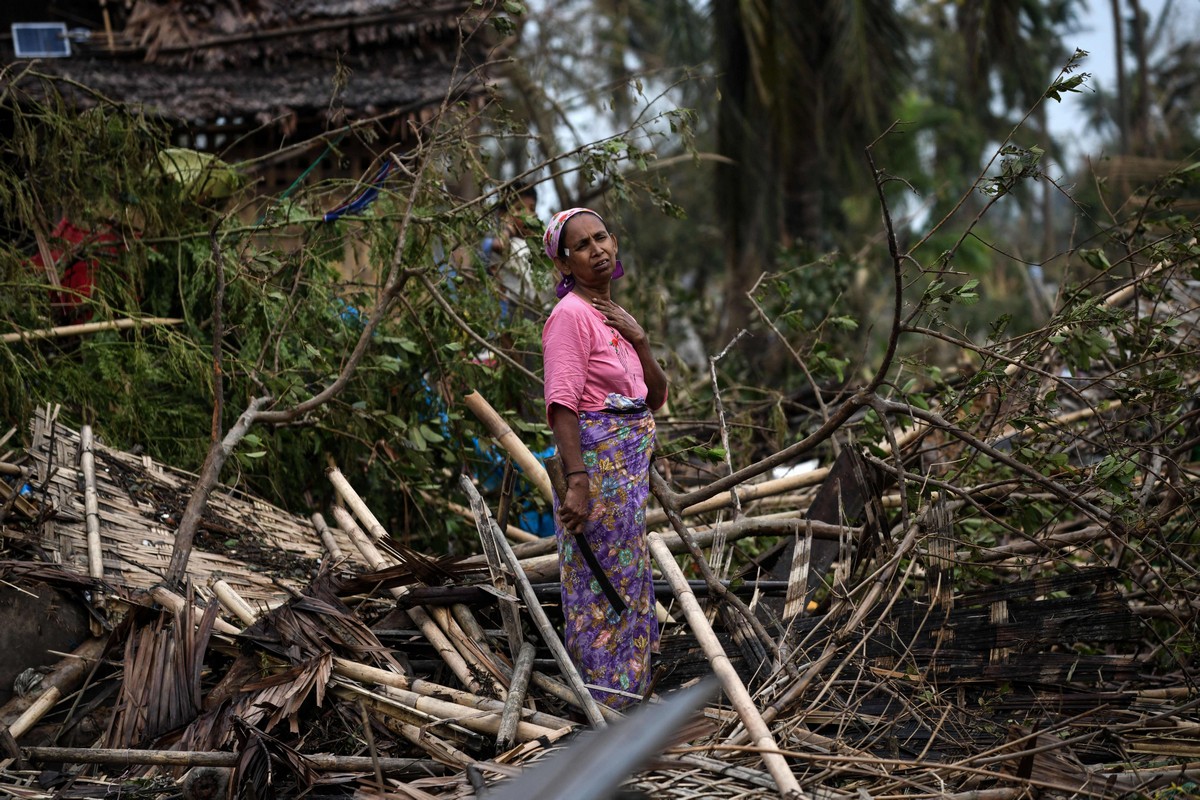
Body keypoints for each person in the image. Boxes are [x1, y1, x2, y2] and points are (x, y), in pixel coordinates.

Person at [540, 207, 669, 709]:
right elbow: (562, 404)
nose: (597, 249)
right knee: (600, 585)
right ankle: (608, 701)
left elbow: (653, 398)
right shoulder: (570, 317)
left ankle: (632, 692)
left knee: (629, 575)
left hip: (627, 481)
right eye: (582, 245)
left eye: (601, 238)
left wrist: (641, 341)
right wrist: (577, 480)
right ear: (565, 263)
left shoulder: (615, 318)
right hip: (597, 473)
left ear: (614, 243)